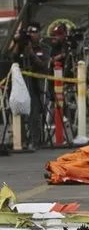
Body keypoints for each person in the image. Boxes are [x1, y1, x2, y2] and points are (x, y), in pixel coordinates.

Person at [9, 22, 51, 150]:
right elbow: (12, 58)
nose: (32, 35)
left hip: (36, 84)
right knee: (18, 110)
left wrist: (32, 53)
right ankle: (20, 140)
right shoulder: (21, 46)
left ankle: (35, 140)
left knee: (34, 112)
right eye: (30, 32)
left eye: (34, 32)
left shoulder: (44, 48)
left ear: (39, 33)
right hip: (21, 84)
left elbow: (44, 65)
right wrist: (17, 42)